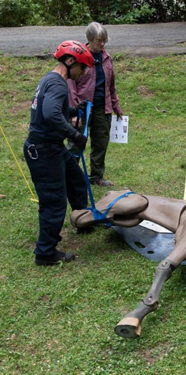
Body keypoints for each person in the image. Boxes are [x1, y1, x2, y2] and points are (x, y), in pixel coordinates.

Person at [24, 40, 93, 266]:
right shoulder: (59, 84)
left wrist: (72, 110)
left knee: (76, 180)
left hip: (51, 147)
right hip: (44, 151)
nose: (82, 73)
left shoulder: (50, 79)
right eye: (82, 67)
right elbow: (51, 115)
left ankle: (83, 220)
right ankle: (45, 253)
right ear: (70, 61)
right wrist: (75, 136)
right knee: (53, 202)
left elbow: (51, 111)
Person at [68, 22, 123, 187]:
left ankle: (96, 177)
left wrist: (116, 107)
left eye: (104, 40)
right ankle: (70, 176)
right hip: (82, 108)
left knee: (101, 143)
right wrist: (74, 112)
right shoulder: (79, 58)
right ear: (89, 39)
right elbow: (71, 86)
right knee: (76, 143)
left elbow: (112, 86)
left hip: (102, 107)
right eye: (99, 40)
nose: (102, 44)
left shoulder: (107, 58)